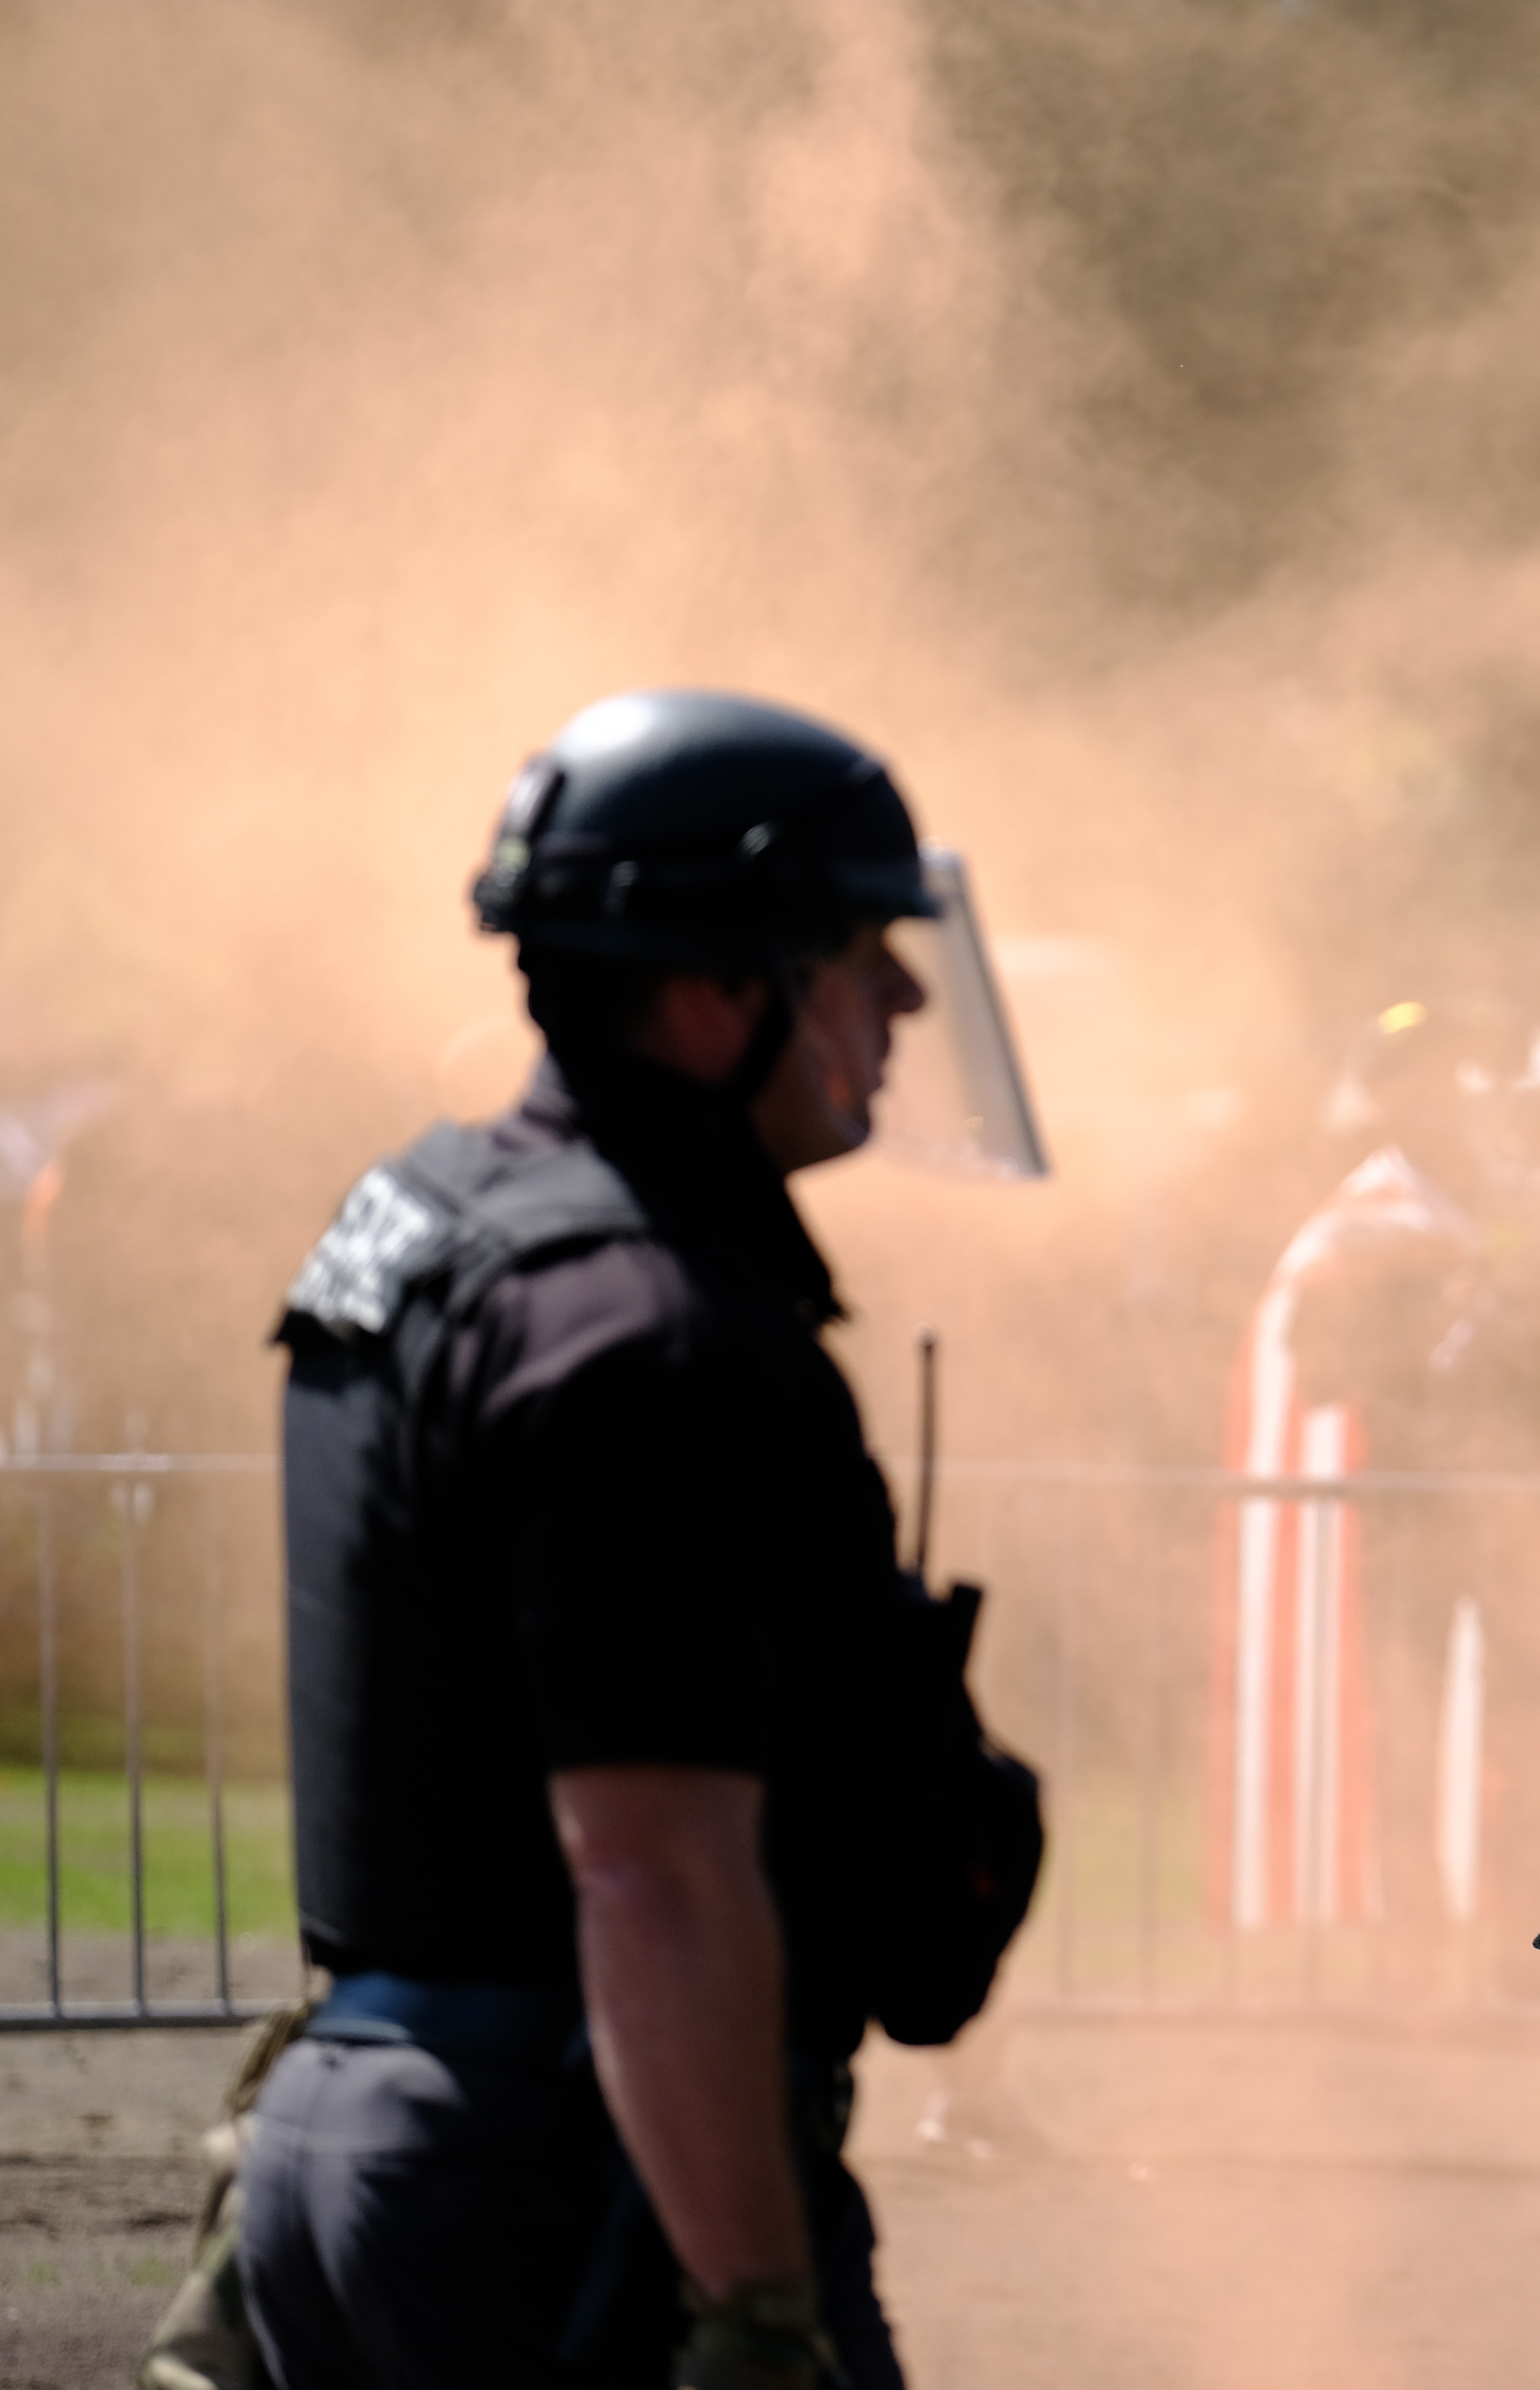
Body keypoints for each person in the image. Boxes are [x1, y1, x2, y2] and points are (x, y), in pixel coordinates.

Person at [246, 690, 1042, 2390]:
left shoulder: (439, 1223)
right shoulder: (655, 1334)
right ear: (710, 989)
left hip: (381, 2125)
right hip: (575, 2175)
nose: (902, 993)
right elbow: (653, 1869)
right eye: (852, 946)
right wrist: (756, 2307)